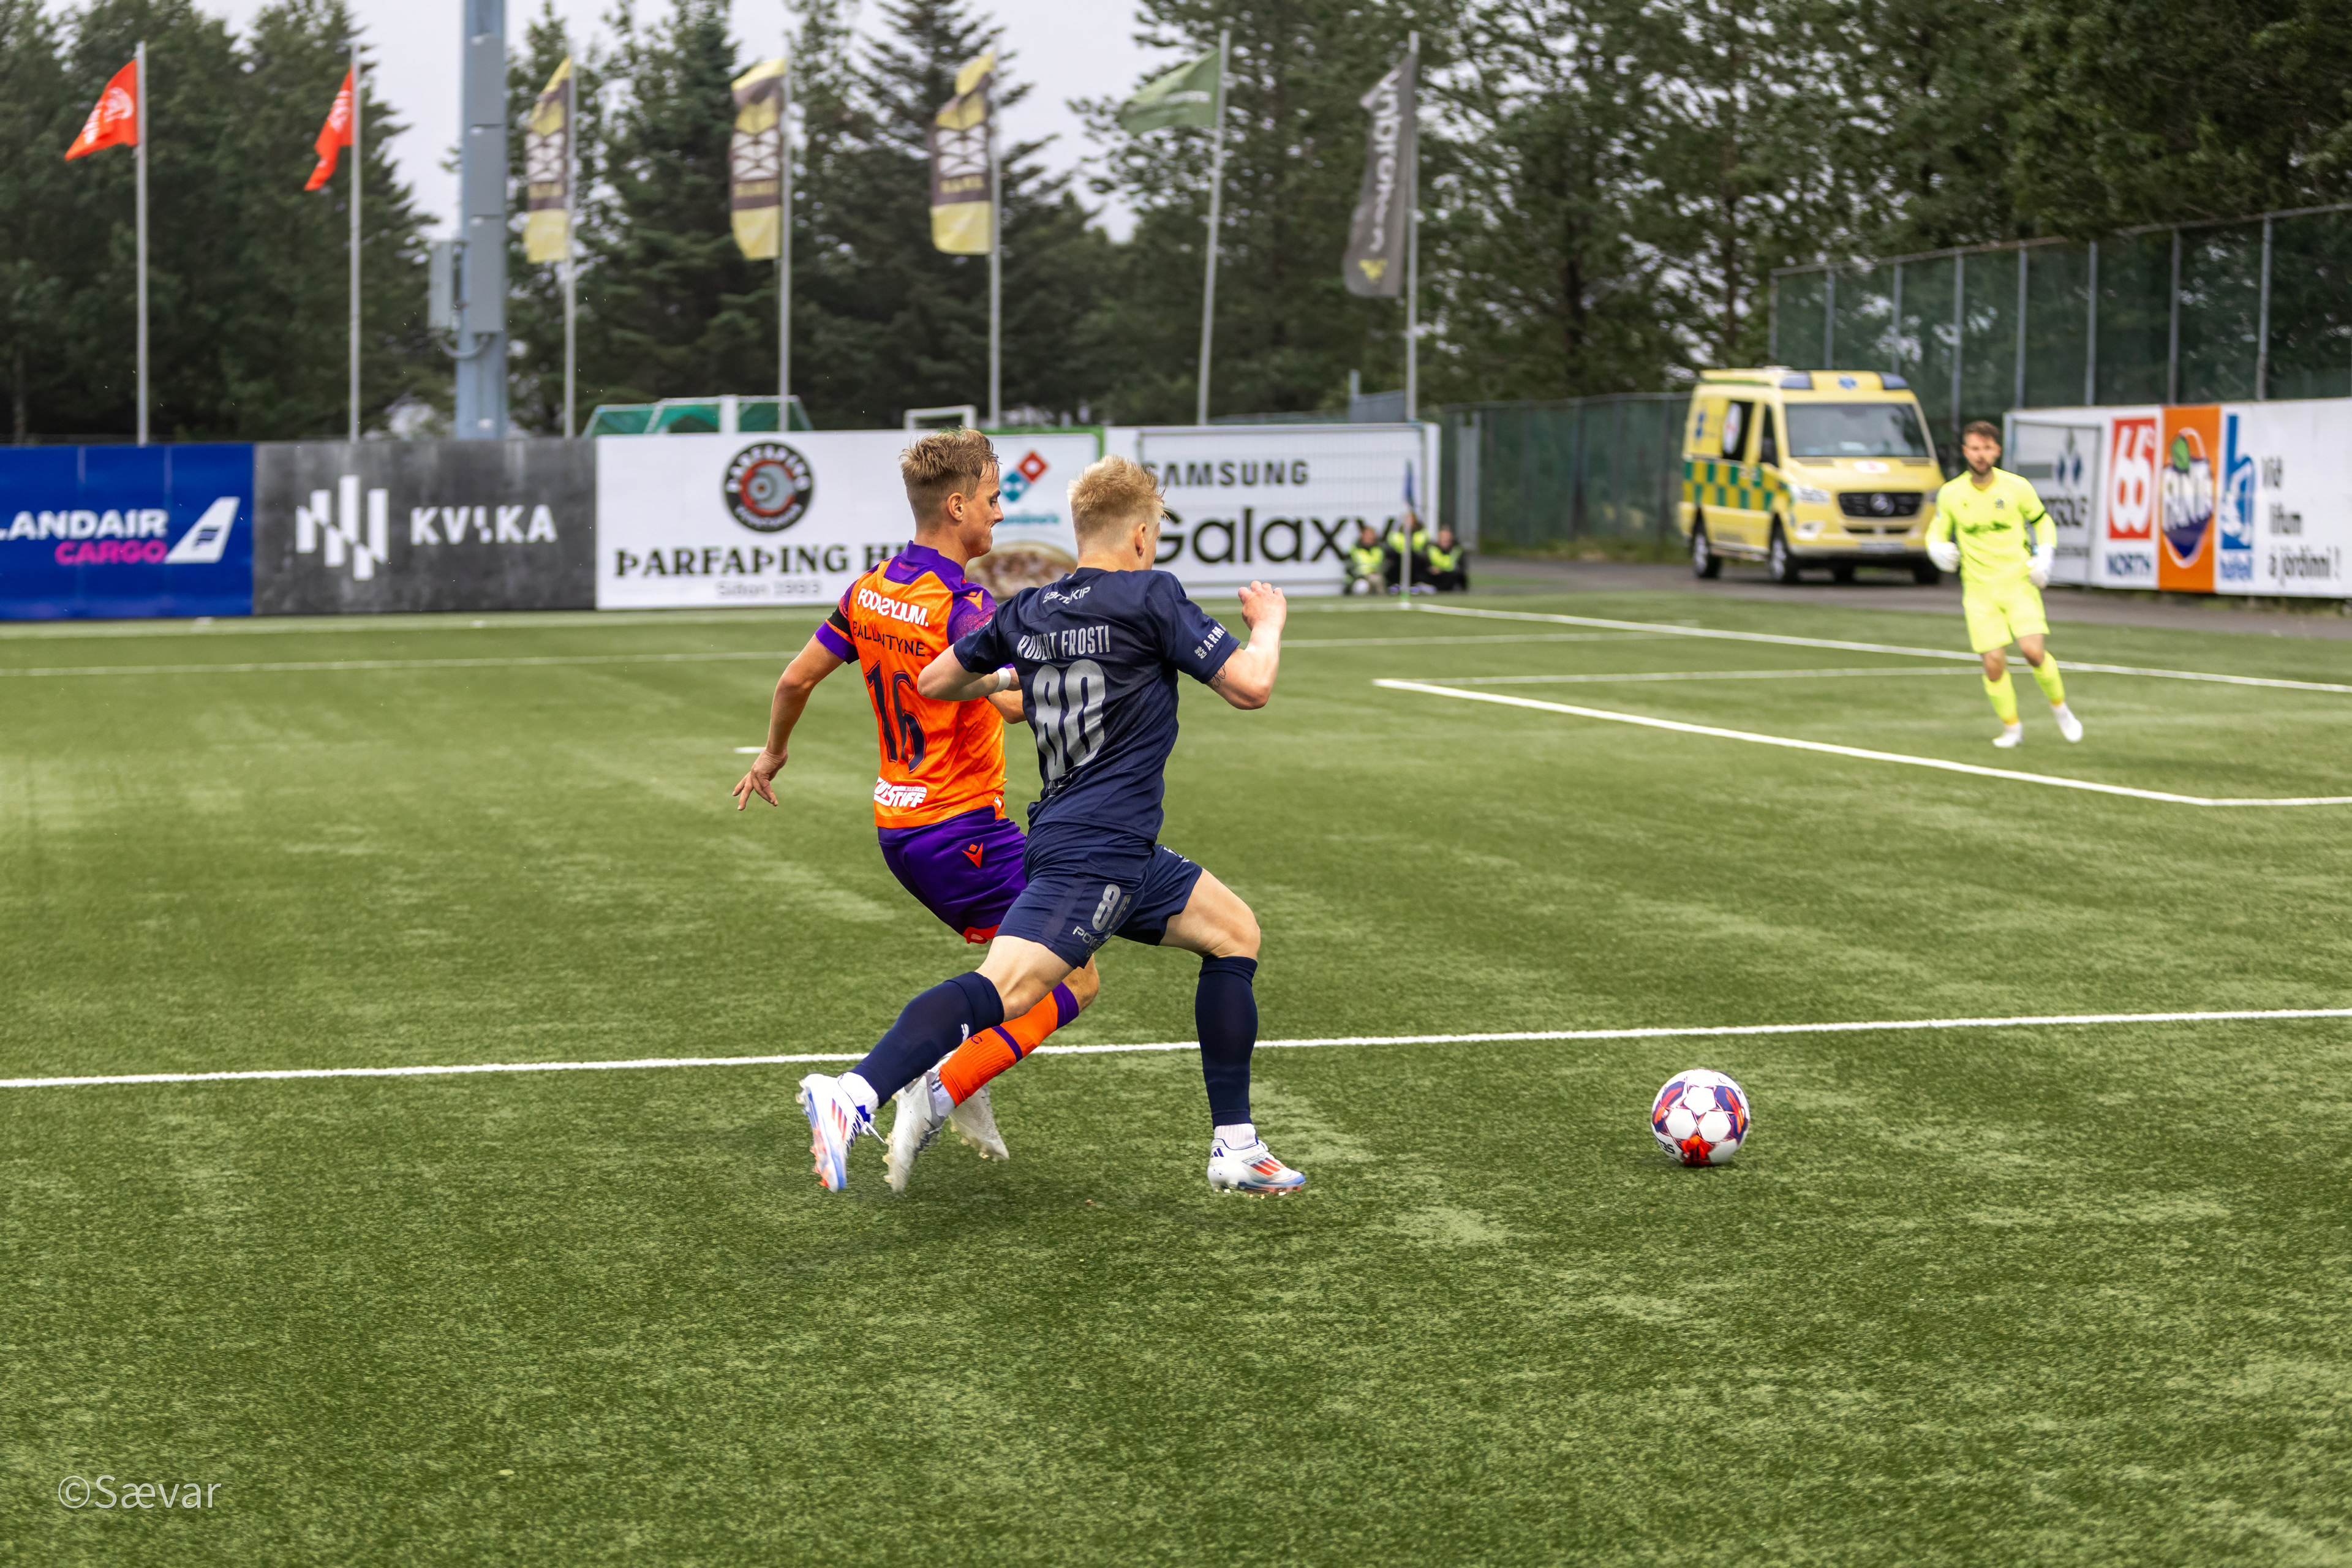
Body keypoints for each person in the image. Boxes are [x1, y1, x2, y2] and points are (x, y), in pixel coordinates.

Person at [797, 454, 1306, 1196]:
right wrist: (1269, 625)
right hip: (1094, 853)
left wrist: (1019, 672)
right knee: (1007, 989)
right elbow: (1251, 687)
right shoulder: (1152, 595)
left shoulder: (1030, 610)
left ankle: (1236, 1144)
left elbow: (936, 679)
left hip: (1103, 841)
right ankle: (855, 1090)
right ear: (1140, 535)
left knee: (1234, 932)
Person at [735, 428, 1102, 1193]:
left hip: (901, 829)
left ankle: (955, 1078)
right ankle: (904, 1086)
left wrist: (771, 754)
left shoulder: (868, 590)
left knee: (1011, 971)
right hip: (963, 829)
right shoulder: (962, 605)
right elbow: (1009, 703)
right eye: (993, 499)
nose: (1000, 514)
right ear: (958, 505)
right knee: (1075, 977)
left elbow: (796, 680)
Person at [1926, 421, 2084, 748]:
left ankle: (2061, 710)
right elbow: (1937, 531)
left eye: (1986, 448)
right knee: (1994, 665)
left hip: (2018, 583)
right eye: (1974, 448)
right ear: (1965, 451)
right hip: (1978, 591)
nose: (1980, 455)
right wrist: (1936, 549)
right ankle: (2012, 728)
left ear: (1997, 450)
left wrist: (2045, 556)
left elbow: (2042, 521)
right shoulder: (1952, 493)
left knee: (2033, 652)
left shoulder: (2017, 487)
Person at [1384, 510, 1431, 594]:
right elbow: (1392, 548)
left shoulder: (1422, 534)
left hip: (1417, 561)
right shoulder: (1395, 535)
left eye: (1411, 520)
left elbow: (1423, 549)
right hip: (1399, 561)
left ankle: (1418, 584)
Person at [1425, 526, 1468, 592]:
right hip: (1435, 578)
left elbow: (1461, 569)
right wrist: (1431, 569)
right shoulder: (1431, 549)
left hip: (1450, 578)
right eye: (1443, 537)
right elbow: (1425, 565)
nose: (1445, 540)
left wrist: (1442, 571)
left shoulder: (1457, 550)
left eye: (1447, 538)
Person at [1347, 522, 1386, 595]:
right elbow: (1350, 567)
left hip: (1377, 576)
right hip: (1360, 578)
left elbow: (1385, 564)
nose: (1370, 537)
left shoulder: (1379, 550)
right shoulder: (1355, 550)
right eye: (1367, 535)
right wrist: (1362, 575)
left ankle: (1381, 599)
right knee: (1362, 587)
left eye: (1371, 535)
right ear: (1362, 535)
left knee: (1378, 580)